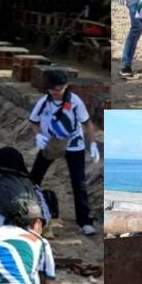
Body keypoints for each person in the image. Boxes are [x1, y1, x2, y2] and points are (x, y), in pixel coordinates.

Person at [28, 70, 99, 235]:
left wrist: (93, 144)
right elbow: (33, 121)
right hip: (51, 144)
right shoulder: (44, 102)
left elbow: (87, 124)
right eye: (53, 89)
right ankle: (29, 211)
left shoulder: (75, 102)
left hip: (74, 144)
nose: (57, 92)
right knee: (35, 178)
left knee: (79, 183)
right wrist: (38, 135)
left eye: (60, 88)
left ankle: (84, 220)